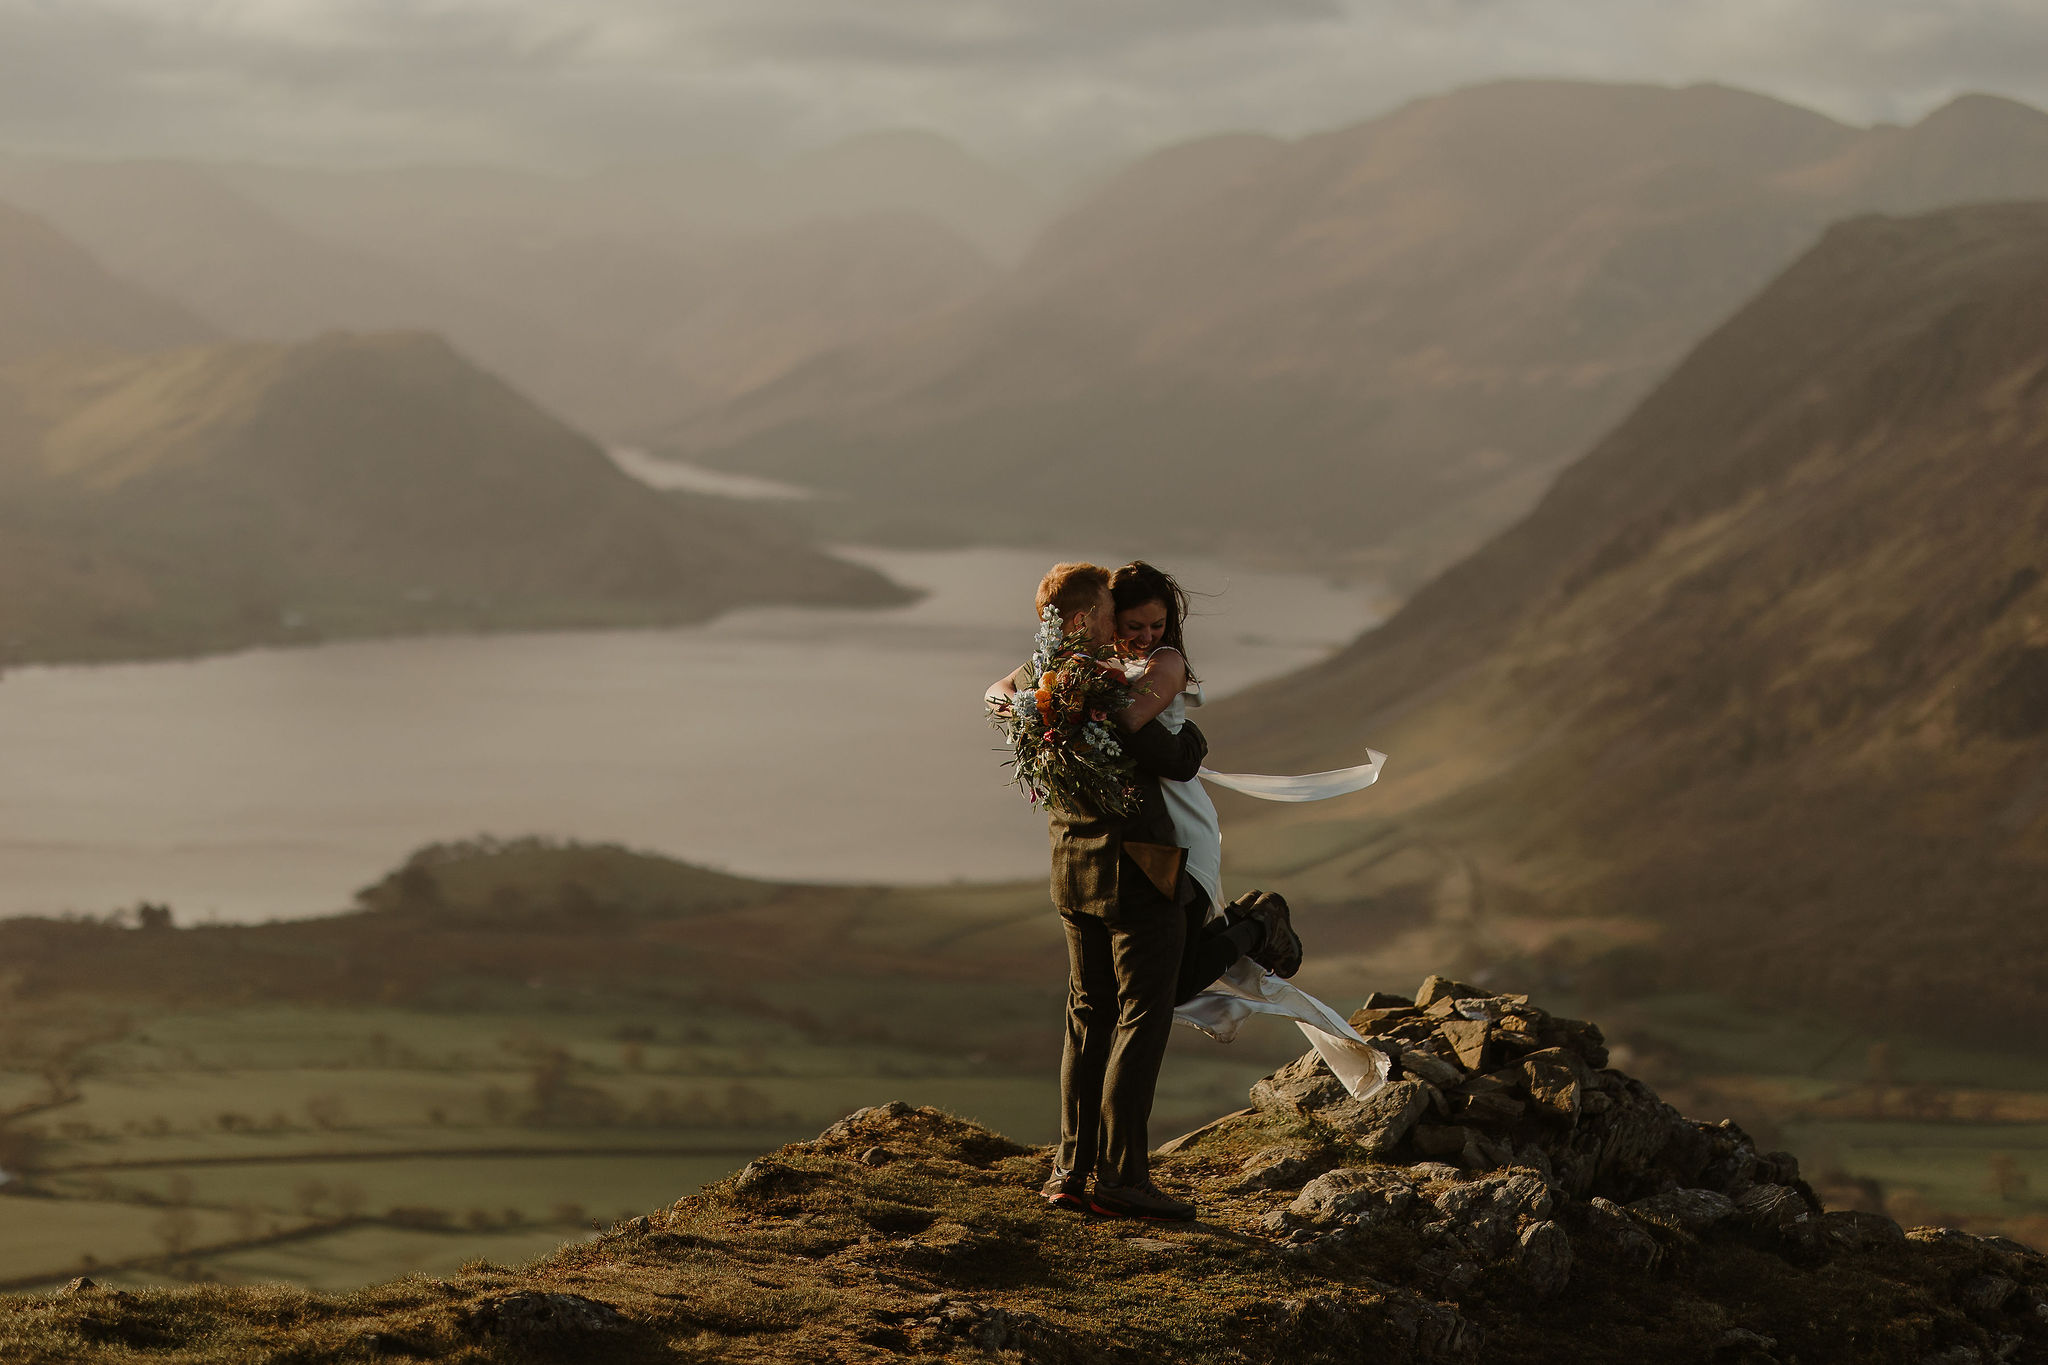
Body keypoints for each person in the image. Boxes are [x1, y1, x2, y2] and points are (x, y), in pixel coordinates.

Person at [988, 562, 1298, 1223]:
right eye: (1107, 611)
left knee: (1089, 1014)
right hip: (1141, 870)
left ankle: (1071, 1170)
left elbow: (996, 695)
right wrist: (1180, 736)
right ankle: (1122, 1175)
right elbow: (1172, 755)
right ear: (1083, 619)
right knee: (1141, 1015)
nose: (1115, 623)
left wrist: (1035, 698)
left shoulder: (1043, 682)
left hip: (1072, 869)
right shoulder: (1093, 687)